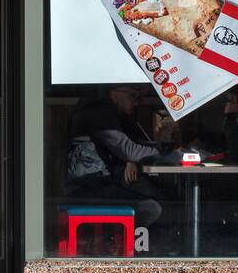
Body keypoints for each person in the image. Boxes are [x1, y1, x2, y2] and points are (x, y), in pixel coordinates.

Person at [63, 86, 164, 227]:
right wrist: (164, 153)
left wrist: (129, 159)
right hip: (87, 187)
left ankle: (113, 241)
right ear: (114, 95)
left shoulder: (105, 111)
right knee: (150, 207)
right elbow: (128, 150)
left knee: (151, 193)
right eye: (133, 96)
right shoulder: (99, 113)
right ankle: (110, 242)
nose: (137, 103)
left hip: (93, 182)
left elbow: (125, 148)